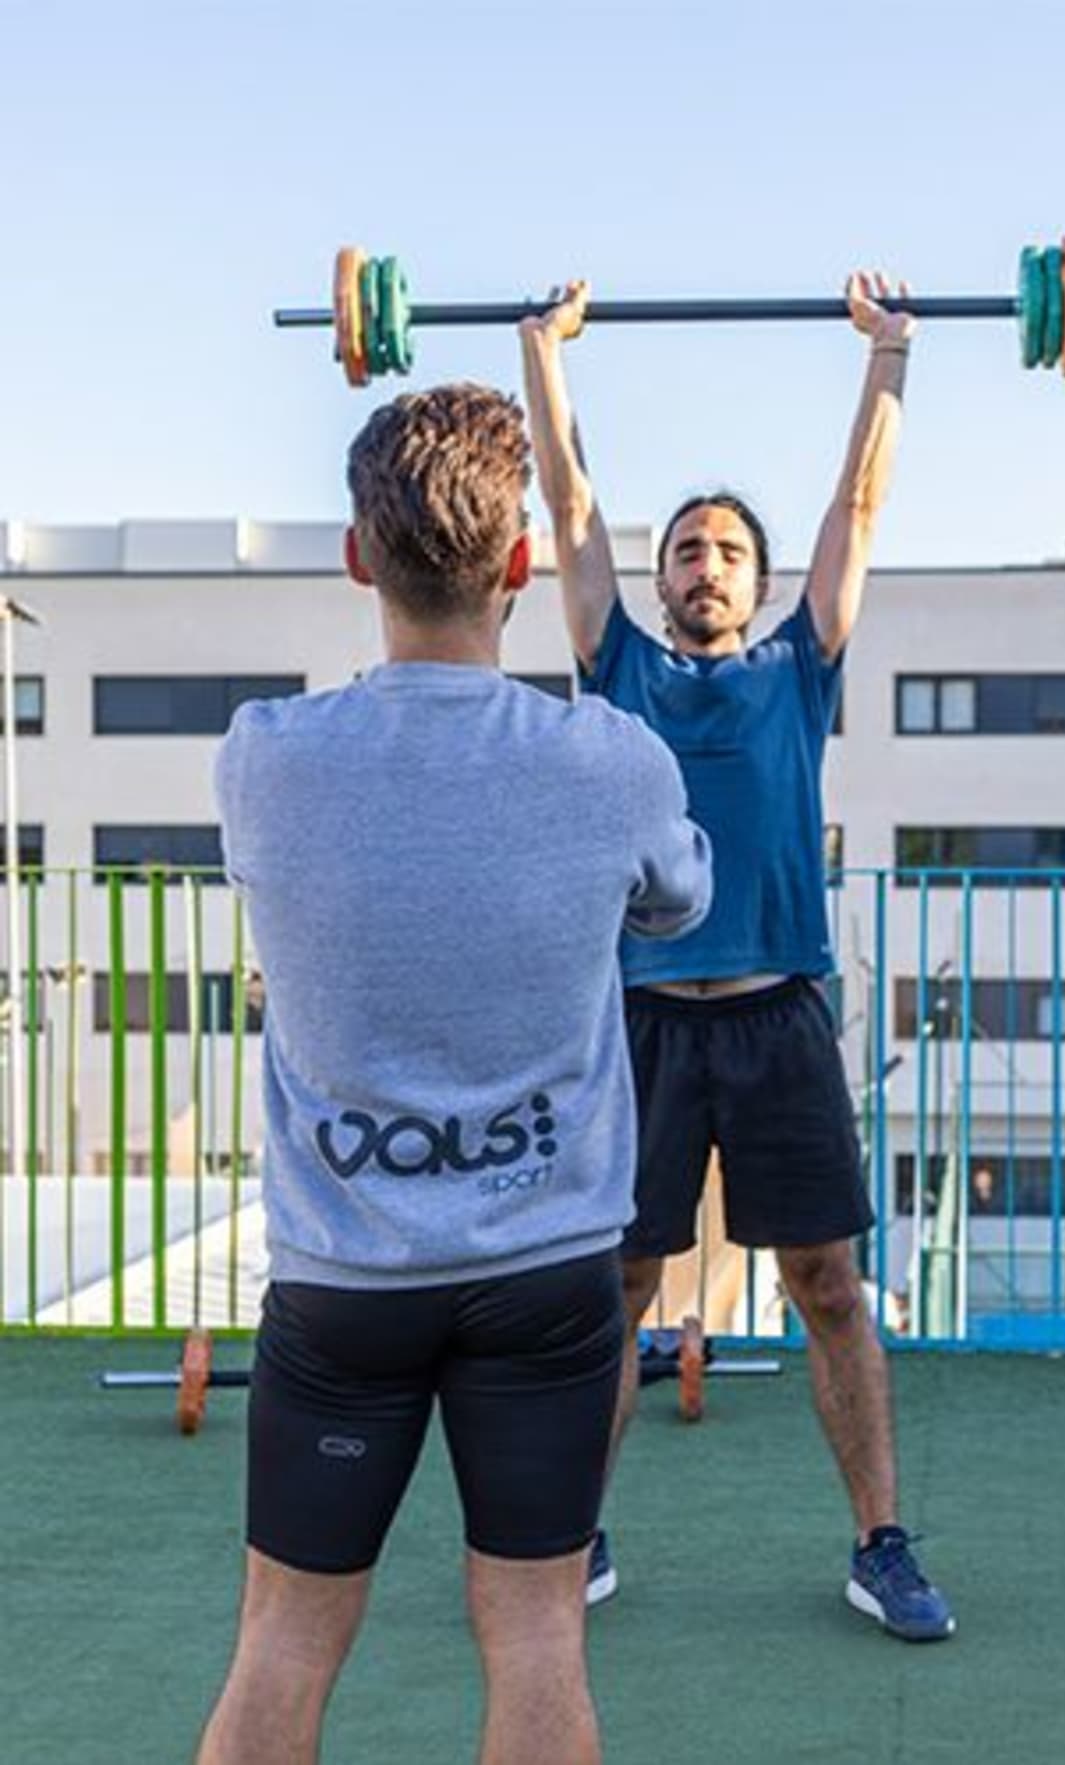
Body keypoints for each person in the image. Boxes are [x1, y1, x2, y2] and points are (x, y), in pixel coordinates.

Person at [197, 382, 712, 1765]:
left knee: (284, 1644)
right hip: (544, 1279)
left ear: (362, 557)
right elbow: (676, 903)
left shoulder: (264, 760)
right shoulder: (612, 761)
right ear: (521, 566)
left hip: (342, 1286)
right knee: (540, 1633)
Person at [520, 276, 956, 1643]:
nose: (703, 564)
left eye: (725, 551)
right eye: (686, 550)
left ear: (757, 584)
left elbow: (859, 513)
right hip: (644, 1025)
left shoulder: (796, 667)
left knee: (827, 1284)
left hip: (779, 1021)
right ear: (660, 580)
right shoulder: (620, 668)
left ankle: (879, 1543)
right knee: (620, 1287)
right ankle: (568, 1541)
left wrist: (888, 359)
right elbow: (571, 507)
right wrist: (542, 355)